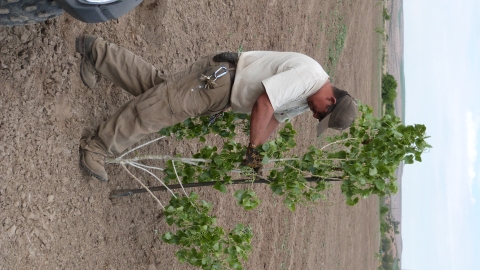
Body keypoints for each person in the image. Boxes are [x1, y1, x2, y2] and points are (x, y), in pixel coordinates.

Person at [76, 34, 358, 182]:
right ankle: (98, 146)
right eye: (321, 114)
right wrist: (253, 149)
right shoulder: (307, 77)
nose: (314, 115)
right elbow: (264, 103)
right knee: (158, 109)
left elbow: (275, 118)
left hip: (222, 90)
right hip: (220, 82)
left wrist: (258, 156)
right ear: (330, 101)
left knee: (155, 89)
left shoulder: (306, 97)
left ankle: (95, 51)